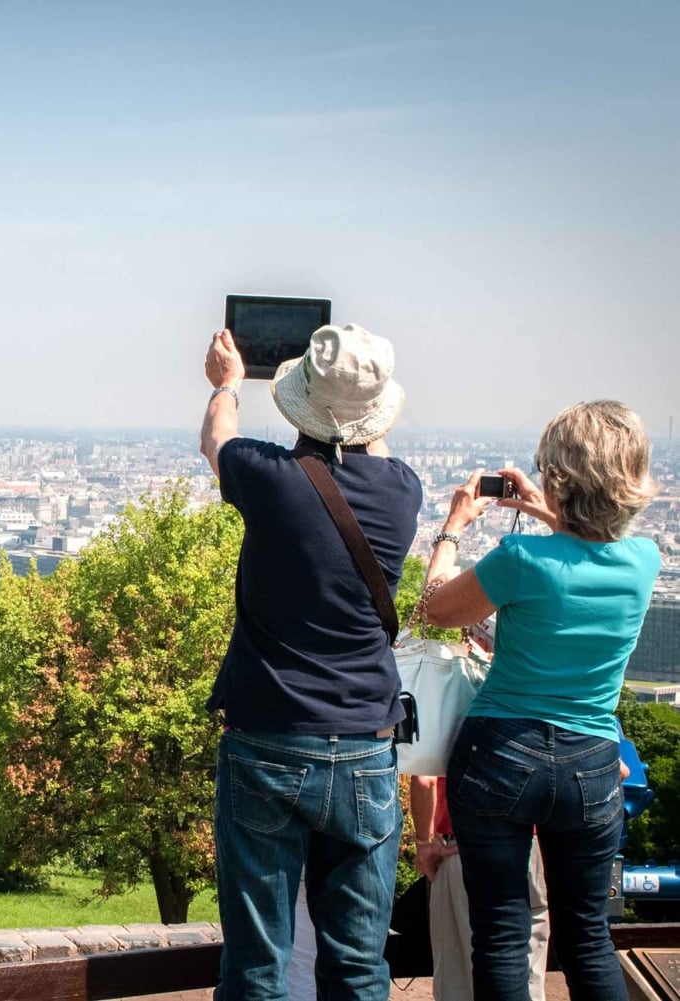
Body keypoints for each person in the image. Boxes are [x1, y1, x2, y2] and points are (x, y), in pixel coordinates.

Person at [200, 324, 423, 1000]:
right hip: (365, 744)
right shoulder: (403, 493)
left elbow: (216, 439)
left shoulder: (271, 481)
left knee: (256, 964)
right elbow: (366, 452)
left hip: (269, 737)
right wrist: (355, 398)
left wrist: (228, 382)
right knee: (358, 964)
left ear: (301, 409)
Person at [425, 400, 659, 1000]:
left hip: (501, 751)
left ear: (558, 478)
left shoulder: (521, 561)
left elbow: (436, 608)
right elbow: (586, 549)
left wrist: (452, 529)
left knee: (501, 936)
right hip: (592, 763)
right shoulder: (643, 560)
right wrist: (543, 506)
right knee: (587, 939)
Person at [409, 776, 549, 999]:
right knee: (529, 977)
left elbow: (426, 780)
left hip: (463, 844)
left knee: (460, 983)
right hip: (532, 844)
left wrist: (424, 843)